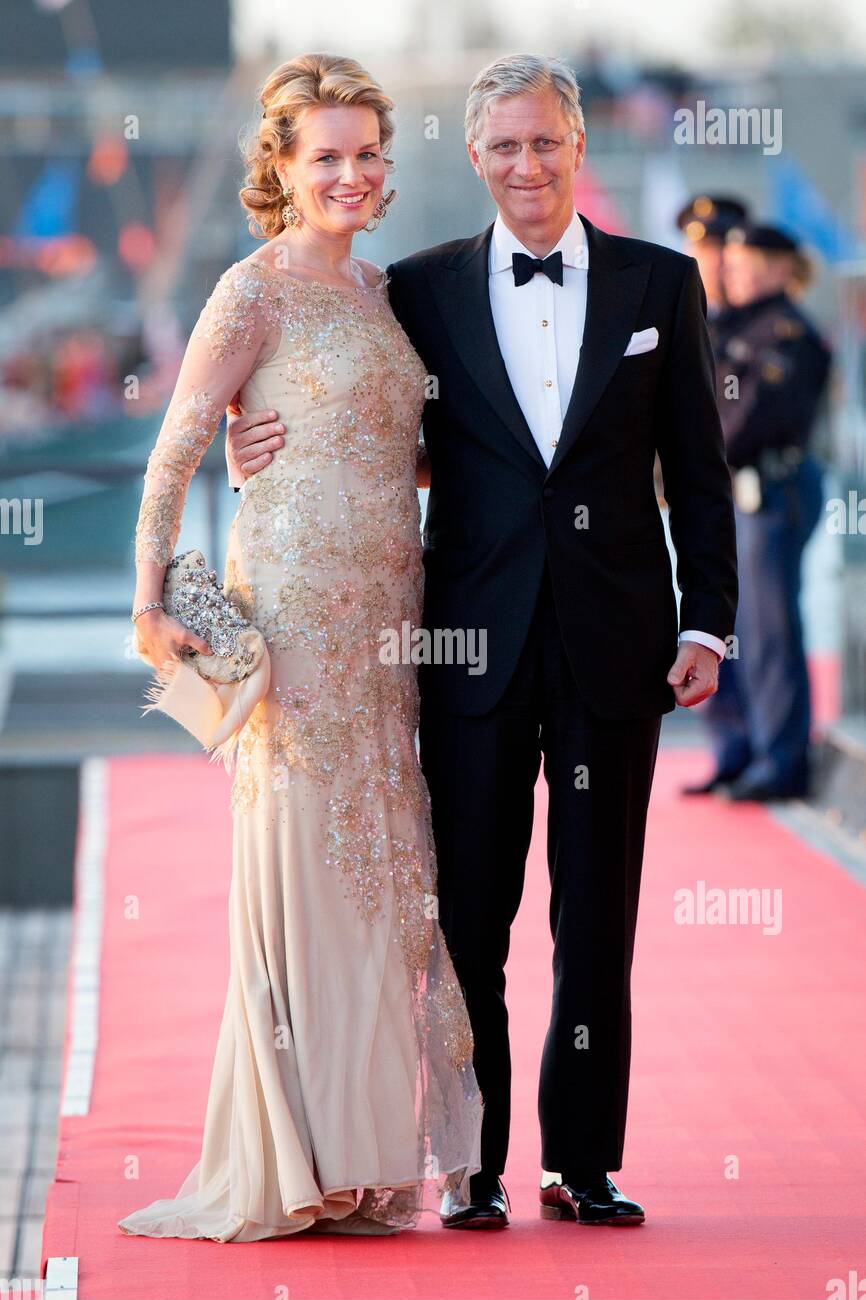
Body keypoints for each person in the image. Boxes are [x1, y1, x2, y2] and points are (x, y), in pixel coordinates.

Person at [228, 53, 738, 1229]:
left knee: (594, 915)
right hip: (466, 647)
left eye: (544, 142)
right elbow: (341, 396)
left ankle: (583, 1160)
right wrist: (253, 435)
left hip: (617, 645)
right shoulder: (417, 289)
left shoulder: (661, 285)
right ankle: (473, 1162)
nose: (524, 164)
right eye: (502, 146)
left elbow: (700, 479)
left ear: (575, 147)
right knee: (467, 917)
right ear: (473, 157)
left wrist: (704, 618)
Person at [119, 53, 482, 1244]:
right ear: (279, 166)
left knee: (382, 875)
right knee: (308, 866)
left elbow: (397, 454)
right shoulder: (250, 289)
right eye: (324, 155)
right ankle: (295, 1154)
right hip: (292, 620)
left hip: (387, 622)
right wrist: (148, 602)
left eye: (367, 153)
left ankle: (366, 1156)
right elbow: (174, 451)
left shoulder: (381, 292)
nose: (350, 173)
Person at [684, 223, 831, 802]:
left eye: (743, 264)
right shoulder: (733, 326)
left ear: (775, 268)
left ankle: (782, 759)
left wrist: (691, 459)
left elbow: (748, 423)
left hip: (772, 490)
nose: (731, 273)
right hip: (734, 491)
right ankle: (738, 750)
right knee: (726, 626)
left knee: (768, 630)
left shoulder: (786, 332)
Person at [676, 193, 749, 319]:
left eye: (726, 248)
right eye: (706, 248)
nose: (720, 260)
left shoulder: (772, 325)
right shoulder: (680, 317)